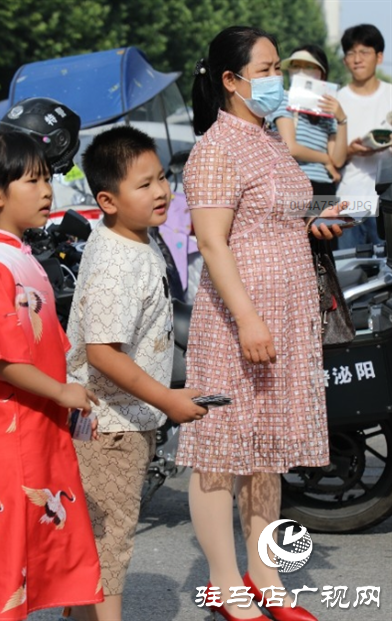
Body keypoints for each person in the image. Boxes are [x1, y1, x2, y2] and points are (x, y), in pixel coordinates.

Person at [177, 26, 344, 621]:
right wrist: (248, 318)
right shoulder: (216, 147)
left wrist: (314, 222)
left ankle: (265, 578)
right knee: (220, 451)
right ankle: (226, 587)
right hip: (236, 321)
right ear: (231, 80)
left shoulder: (271, 139)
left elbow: (270, 219)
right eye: (269, 69)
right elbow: (214, 243)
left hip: (287, 319)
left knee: (267, 452)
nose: (280, 80)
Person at [0, 131, 104, 621]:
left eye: (48, 179)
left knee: (55, 546)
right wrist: (62, 390)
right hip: (13, 438)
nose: (46, 191)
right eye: (32, 181)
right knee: (7, 564)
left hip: (39, 431)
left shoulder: (16, 254)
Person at [64, 125, 207, 621]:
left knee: (99, 535)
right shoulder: (118, 261)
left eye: (162, 177)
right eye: (144, 185)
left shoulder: (130, 241)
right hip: (111, 427)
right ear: (107, 199)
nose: (162, 190)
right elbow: (103, 353)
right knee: (111, 539)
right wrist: (167, 400)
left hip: (119, 420)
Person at [336, 24, 391, 248]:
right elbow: (333, 159)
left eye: (364, 52)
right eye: (351, 53)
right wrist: (350, 150)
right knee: (349, 274)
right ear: (345, 60)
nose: (357, 59)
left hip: (388, 201)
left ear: (379, 57)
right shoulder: (336, 100)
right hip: (350, 201)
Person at [270, 45, 348, 203]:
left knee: (323, 228)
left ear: (321, 73)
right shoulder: (285, 99)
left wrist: (342, 120)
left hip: (325, 188)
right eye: (295, 66)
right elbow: (290, 147)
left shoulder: (327, 112)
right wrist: (325, 159)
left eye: (308, 66)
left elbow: (338, 161)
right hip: (293, 185)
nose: (300, 71)